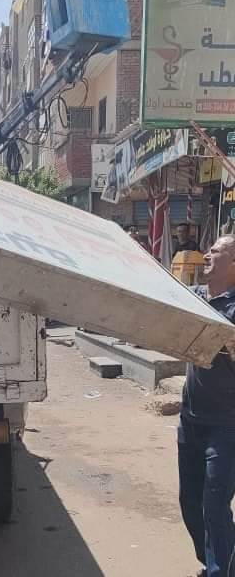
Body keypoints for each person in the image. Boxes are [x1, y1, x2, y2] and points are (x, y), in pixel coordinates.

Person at [179, 235, 235, 577]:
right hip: (190, 420)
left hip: (226, 426)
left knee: (214, 505)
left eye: (216, 250)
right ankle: (216, 562)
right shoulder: (194, 296)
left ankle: (219, 571)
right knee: (190, 502)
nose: (207, 254)